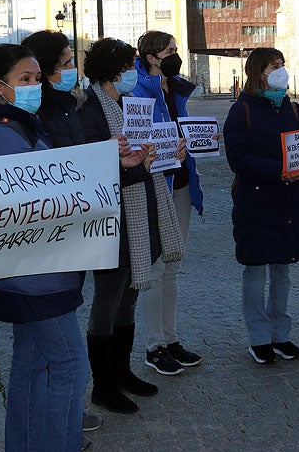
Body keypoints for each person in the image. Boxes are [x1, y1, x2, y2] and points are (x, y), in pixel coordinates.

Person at [0, 44, 87, 452]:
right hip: (35, 276)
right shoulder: (1, 131)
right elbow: (38, 196)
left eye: (35, 78)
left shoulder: (16, 123)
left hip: (31, 271)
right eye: (23, 80)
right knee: (69, 366)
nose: (35, 86)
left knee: (31, 365)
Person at [78, 38, 184, 413]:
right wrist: (128, 160)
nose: (130, 73)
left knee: (130, 295)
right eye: (126, 66)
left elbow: (143, 150)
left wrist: (165, 152)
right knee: (107, 302)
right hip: (113, 218)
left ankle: (122, 373)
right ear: (112, 70)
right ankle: (103, 386)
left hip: (140, 213)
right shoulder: (90, 109)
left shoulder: (128, 104)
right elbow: (92, 166)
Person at [21, 30, 104, 441]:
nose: (74, 69)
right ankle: (62, 429)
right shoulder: (39, 115)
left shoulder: (70, 106)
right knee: (64, 358)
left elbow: (86, 163)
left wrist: (119, 159)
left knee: (35, 357)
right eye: (68, 62)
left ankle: (55, 422)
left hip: (73, 238)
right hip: (49, 250)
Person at [224, 47, 299, 364]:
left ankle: (281, 334)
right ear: (259, 72)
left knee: (282, 271)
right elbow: (238, 159)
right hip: (257, 200)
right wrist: (279, 171)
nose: (281, 70)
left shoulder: (293, 109)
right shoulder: (242, 110)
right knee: (256, 270)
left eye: (282, 65)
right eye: (274, 66)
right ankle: (259, 337)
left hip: (289, 201)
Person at [133, 30, 204, 375]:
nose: (176, 55)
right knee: (157, 268)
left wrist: (199, 139)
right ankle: (153, 345)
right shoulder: (138, 90)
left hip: (182, 183)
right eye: (170, 51)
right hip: (155, 185)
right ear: (151, 57)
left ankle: (171, 339)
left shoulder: (175, 88)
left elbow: (183, 129)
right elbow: (137, 137)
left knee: (174, 264)